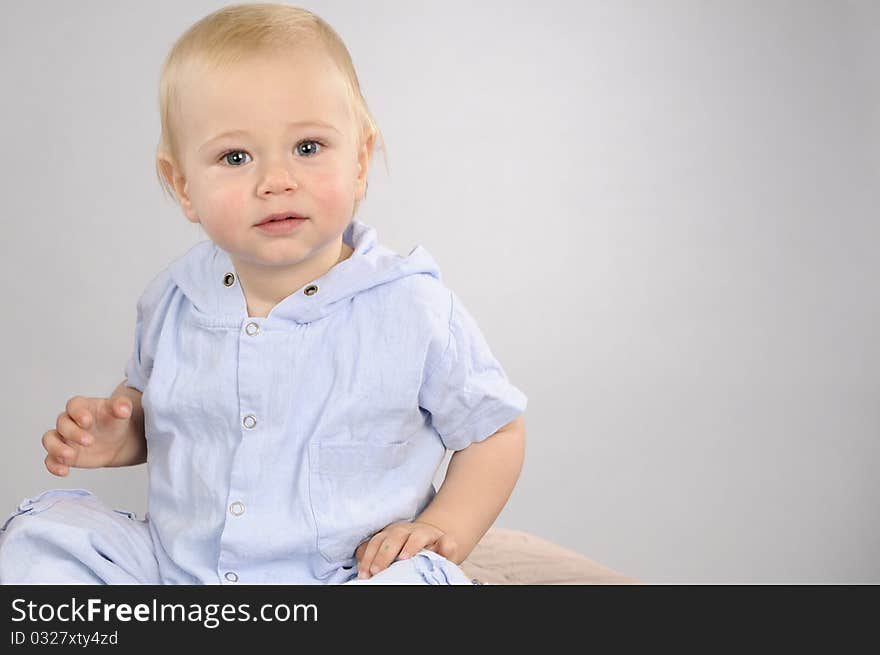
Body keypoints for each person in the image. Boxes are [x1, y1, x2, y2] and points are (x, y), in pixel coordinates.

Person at [0, 3, 527, 585]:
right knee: (42, 541)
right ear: (182, 188)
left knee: (420, 587)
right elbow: (159, 409)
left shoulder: (410, 307)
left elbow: (495, 430)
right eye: (235, 157)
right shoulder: (175, 300)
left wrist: (445, 525)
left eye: (307, 147)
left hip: (342, 578)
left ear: (359, 161)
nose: (275, 180)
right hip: (180, 572)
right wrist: (121, 432)